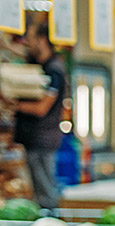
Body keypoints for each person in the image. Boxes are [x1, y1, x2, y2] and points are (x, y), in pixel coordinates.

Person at [13, 21, 67, 211]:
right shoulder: (41, 65)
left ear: (42, 40)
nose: (27, 42)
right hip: (33, 139)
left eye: (31, 37)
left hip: (42, 140)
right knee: (39, 190)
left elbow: (41, 108)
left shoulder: (54, 70)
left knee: (45, 192)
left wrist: (14, 105)